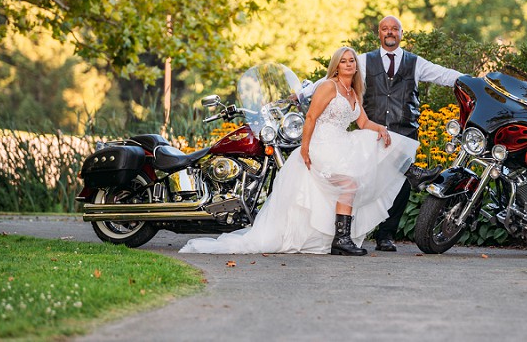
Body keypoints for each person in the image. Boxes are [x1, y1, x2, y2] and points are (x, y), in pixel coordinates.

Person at [180, 47, 419, 256]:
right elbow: (311, 117)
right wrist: (304, 149)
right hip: (322, 145)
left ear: (356, 67)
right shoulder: (329, 86)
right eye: (344, 60)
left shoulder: (353, 92)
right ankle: (342, 240)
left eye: (352, 60)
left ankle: (412, 173)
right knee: (349, 184)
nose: (349, 64)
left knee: (374, 140)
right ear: (336, 66)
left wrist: (382, 130)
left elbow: (364, 123)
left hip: (342, 143)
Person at [301, 16, 463, 252]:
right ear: (379, 33)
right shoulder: (362, 61)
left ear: (401, 33)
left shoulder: (415, 62)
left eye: (394, 29)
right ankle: (357, 231)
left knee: (401, 186)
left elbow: (442, 74)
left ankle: (386, 236)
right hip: (375, 130)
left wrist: (470, 81)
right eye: (385, 29)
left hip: (403, 129)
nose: (390, 33)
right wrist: (303, 92)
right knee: (367, 180)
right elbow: (329, 83)